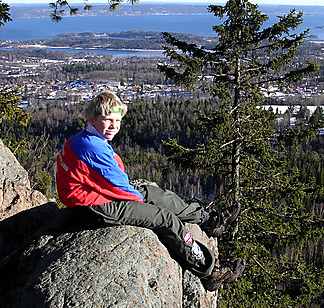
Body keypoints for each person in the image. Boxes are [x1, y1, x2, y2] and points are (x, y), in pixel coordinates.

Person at [56, 91, 245, 291]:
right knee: (164, 219)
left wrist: (142, 196)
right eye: (108, 120)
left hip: (96, 194)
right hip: (92, 207)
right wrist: (140, 203)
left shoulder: (85, 138)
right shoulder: (92, 146)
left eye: (118, 120)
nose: (114, 126)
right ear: (92, 118)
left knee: (155, 194)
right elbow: (121, 187)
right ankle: (210, 271)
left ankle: (208, 221)